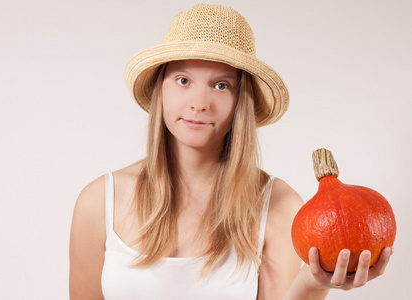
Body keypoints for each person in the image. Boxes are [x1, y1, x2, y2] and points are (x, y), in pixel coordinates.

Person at [69, 4, 392, 299]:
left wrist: (311, 283)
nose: (199, 102)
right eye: (183, 80)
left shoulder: (279, 206)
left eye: (221, 85)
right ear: (161, 89)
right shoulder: (99, 202)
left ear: (242, 102)